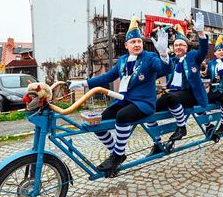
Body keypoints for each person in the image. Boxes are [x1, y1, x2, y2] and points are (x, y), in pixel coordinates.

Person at [70, 17, 171, 174]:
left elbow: (164, 70)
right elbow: (107, 77)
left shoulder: (150, 58)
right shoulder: (123, 60)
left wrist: (163, 55)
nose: (137, 44)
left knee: (122, 116)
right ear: (126, 45)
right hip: (123, 101)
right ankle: (117, 153)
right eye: (133, 42)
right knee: (98, 122)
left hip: (143, 103)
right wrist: (84, 83)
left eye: (139, 41)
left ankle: (117, 156)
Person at [146, 12, 208, 156]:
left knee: (171, 98)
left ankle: (182, 127)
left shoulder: (193, 56)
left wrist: (201, 33)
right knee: (149, 108)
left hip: (190, 93)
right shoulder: (172, 61)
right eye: (176, 45)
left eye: (181, 45)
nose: (178, 47)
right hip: (173, 94)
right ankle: (157, 143)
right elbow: (160, 70)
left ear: (187, 47)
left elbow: (203, 50)